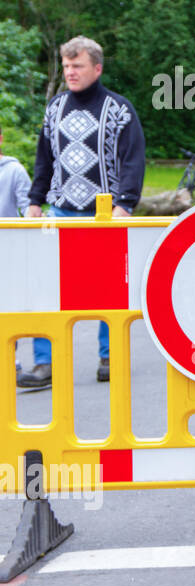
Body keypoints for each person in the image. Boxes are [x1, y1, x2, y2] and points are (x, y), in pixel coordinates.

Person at [20, 36, 145, 389]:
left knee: (108, 289)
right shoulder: (54, 108)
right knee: (47, 287)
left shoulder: (119, 109)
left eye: (78, 66)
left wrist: (125, 204)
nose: (70, 72)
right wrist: (34, 201)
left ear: (97, 68)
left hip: (105, 214)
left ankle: (110, 356)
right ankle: (45, 363)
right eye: (66, 66)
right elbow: (44, 159)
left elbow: (133, 159)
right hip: (59, 212)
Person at [0, 124, 33, 380]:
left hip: (6, 248)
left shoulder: (13, 170)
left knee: (6, 307)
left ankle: (11, 358)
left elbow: (28, 208)